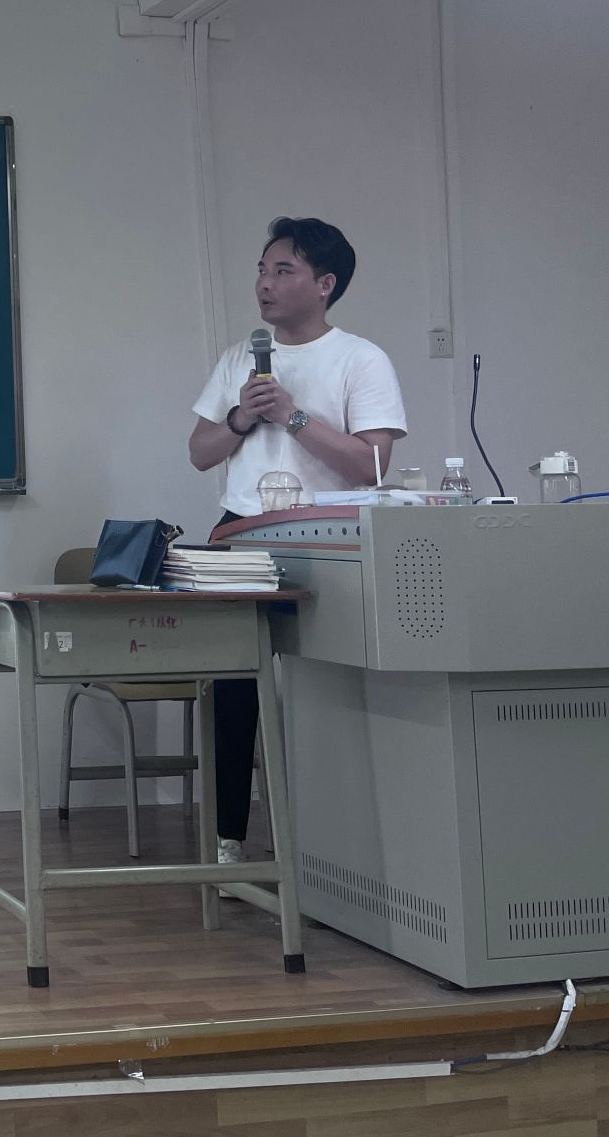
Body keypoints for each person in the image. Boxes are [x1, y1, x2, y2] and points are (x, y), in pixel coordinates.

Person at [186, 217, 405, 864]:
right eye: (262, 269)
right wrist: (240, 418)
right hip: (239, 531)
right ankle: (228, 840)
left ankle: (334, 841)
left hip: (324, 540)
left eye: (283, 271)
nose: (265, 283)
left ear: (325, 284)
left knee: (325, 684)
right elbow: (200, 452)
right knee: (232, 687)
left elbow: (371, 466)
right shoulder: (239, 358)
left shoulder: (361, 358)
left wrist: (293, 416)